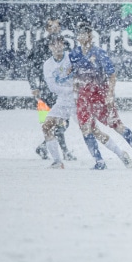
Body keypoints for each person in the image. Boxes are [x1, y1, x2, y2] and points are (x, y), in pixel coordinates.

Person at [70, 21, 132, 170]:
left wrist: (110, 95)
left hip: (99, 95)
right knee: (85, 128)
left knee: (117, 126)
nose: (79, 36)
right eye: (78, 33)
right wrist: (76, 95)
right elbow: (74, 75)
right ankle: (99, 162)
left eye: (83, 33)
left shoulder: (99, 53)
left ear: (89, 36)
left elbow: (112, 75)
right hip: (83, 97)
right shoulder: (74, 54)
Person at [27, 15, 75, 161]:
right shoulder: (40, 45)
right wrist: (34, 86)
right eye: (51, 26)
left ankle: (45, 147)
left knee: (60, 122)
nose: (54, 28)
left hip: (63, 89)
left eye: (57, 25)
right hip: (46, 89)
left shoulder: (66, 45)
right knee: (54, 122)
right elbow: (31, 68)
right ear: (46, 29)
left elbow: (74, 65)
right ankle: (64, 152)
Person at [40, 34, 89, 169]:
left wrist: (79, 88)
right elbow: (52, 87)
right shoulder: (48, 65)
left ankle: (110, 155)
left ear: (63, 44)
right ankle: (58, 161)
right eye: (54, 44)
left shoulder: (71, 57)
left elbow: (84, 73)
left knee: (90, 130)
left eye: (60, 43)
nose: (57, 46)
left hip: (77, 101)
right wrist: (70, 90)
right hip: (63, 101)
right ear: (50, 47)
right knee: (46, 127)